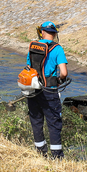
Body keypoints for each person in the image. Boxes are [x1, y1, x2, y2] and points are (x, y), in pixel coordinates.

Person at [26, 21, 68, 158]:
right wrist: (58, 79)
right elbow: (64, 72)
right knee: (54, 122)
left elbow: (28, 68)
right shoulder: (57, 49)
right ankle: (56, 156)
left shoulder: (33, 46)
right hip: (49, 90)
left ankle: (41, 153)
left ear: (41, 32)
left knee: (36, 121)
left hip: (33, 90)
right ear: (55, 34)